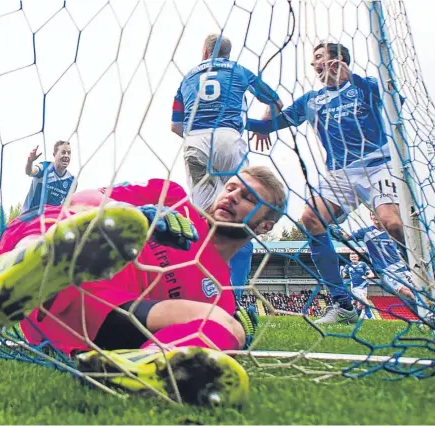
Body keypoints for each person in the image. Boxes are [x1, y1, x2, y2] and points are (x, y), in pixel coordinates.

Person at [0, 165, 287, 407]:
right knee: (87, 213)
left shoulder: (220, 295)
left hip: (99, 323)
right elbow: (83, 199)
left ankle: (139, 366)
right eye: (231, 187)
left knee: (226, 325)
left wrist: (236, 339)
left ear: (264, 226)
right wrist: (140, 217)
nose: (232, 196)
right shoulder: (172, 197)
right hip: (51, 268)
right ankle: (19, 270)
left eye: (248, 197)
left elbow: (219, 328)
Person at [246, 41, 406, 324]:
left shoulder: (365, 86)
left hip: (377, 165)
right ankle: (342, 303)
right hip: (338, 174)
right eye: (314, 59)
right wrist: (251, 116)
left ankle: (418, 273)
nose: (314, 64)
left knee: (392, 223)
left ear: (339, 59)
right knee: (311, 219)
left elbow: (397, 102)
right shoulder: (312, 100)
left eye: (319, 57)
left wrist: (351, 77)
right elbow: (269, 125)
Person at [171, 34, 282, 312]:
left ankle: (193, 291)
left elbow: (175, 126)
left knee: (200, 219)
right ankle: (235, 297)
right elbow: (275, 101)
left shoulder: (186, 77)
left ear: (205, 50)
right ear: (227, 54)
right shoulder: (239, 70)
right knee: (240, 216)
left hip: (195, 141)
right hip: (229, 138)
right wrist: (263, 123)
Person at [332, 211, 418, 314]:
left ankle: (424, 316)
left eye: (378, 213)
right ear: (371, 217)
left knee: (416, 292)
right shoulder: (365, 232)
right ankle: (425, 314)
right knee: (406, 291)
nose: (375, 216)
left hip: (401, 267)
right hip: (385, 270)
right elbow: (346, 237)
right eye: (373, 214)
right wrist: (335, 230)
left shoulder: (392, 231)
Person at [21, 141, 75, 215]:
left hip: (49, 221)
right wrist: (30, 161)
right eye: (63, 152)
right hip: (29, 217)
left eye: (69, 153)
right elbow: (29, 172)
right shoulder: (45, 167)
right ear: (54, 154)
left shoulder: (71, 181)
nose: (66, 155)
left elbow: (66, 206)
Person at [342, 252, 375, 319]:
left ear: (358, 257)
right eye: (352, 257)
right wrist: (341, 271)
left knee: (360, 305)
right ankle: (371, 317)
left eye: (355, 257)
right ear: (350, 258)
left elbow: (372, 274)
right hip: (355, 287)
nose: (353, 258)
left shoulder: (363, 264)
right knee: (364, 300)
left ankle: (355, 316)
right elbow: (343, 276)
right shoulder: (348, 265)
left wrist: (366, 276)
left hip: (364, 286)